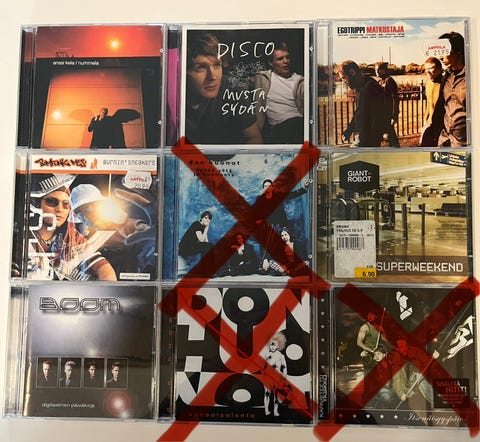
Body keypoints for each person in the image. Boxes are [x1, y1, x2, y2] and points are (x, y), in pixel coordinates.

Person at [28, 174, 117, 281]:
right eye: (51, 201)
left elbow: (105, 272)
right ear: (37, 204)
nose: (59, 209)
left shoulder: (73, 236)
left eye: (66, 204)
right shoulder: (23, 236)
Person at [184, 32, 263, 145]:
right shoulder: (172, 97)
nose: (213, 77)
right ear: (184, 71)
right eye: (201, 67)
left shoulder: (232, 88)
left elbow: (254, 138)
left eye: (217, 65)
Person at [70, 183, 156, 277]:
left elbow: (150, 245)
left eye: (86, 208)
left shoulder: (130, 227)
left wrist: (161, 236)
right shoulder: (90, 242)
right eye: (79, 213)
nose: (84, 217)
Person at [249, 42, 304, 143]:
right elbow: (238, 81)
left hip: (300, 123)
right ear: (271, 63)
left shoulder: (300, 80)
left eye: (287, 57)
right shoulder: (262, 78)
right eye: (280, 59)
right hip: (279, 128)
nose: (286, 61)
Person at [337, 60, 386, 147]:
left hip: (367, 137)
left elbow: (379, 114)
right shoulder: (361, 86)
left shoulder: (370, 86)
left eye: (344, 77)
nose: (343, 81)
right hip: (363, 136)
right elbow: (359, 112)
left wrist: (370, 138)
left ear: (352, 72)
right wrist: (349, 131)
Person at [432, 32, 467, 147]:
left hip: (463, 143)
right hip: (444, 140)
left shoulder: (473, 76)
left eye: (444, 52)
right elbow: (441, 106)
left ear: (458, 51)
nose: (440, 57)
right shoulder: (446, 76)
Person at [391, 338, 440, 409]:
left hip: (418, 377)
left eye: (405, 346)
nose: (404, 348)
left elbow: (426, 361)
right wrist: (401, 393)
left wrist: (433, 357)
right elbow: (397, 378)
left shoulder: (415, 351)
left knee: (420, 378)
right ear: (397, 349)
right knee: (419, 378)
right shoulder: (396, 360)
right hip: (406, 385)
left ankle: (436, 401)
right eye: (401, 347)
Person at [357, 310, 386, 401]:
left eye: (371, 315)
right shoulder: (365, 327)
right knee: (369, 377)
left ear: (376, 316)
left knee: (378, 377)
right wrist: (370, 350)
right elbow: (359, 342)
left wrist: (383, 333)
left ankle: (377, 397)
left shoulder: (379, 327)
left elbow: (384, 340)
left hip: (377, 354)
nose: (369, 316)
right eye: (368, 315)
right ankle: (367, 398)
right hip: (368, 356)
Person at [375, 62, 400, 147]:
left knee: (391, 134)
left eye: (378, 70)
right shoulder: (379, 81)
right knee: (388, 133)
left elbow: (395, 99)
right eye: (375, 70)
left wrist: (394, 115)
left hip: (389, 114)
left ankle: (396, 148)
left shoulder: (389, 80)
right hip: (382, 113)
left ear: (384, 70)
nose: (376, 71)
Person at [263, 332, 288, 417]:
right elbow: (262, 366)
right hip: (268, 377)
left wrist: (284, 377)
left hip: (277, 377)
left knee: (276, 395)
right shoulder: (266, 355)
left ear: (279, 345)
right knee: (267, 393)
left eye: (274, 345)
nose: (272, 347)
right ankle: (266, 410)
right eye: (271, 345)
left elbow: (284, 367)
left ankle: (275, 411)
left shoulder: (281, 356)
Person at [420, 57, 443, 146]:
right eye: (426, 69)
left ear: (439, 69)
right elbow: (429, 102)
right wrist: (425, 118)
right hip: (430, 122)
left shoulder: (445, 83)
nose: (427, 71)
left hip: (442, 124)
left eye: (431, 68)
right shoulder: (428, 83)